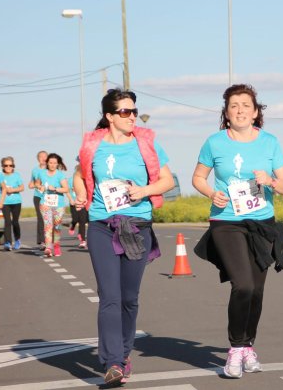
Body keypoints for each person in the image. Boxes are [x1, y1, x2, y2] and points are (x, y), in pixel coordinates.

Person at [73, 88, 174, 386]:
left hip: (136, 227)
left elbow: (167, 180)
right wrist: (80, 194)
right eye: (125, 112)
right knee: (110, 297)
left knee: (129, 298)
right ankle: (113, 362)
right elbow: (79, 174)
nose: (132, 116)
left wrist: (144, 191)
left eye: (133, 110)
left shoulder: (145, 143)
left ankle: (124, 353)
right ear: (109, 116)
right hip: (102, 225)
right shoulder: (93, 145)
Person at [192, 84, 283, 379]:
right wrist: (211, 193)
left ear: (256, 111)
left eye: (245, 105)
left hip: (262, 223)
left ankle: (248, 345)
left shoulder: (270, 143)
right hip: (226, 222)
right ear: (226, 112)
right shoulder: (214, 143)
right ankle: (235, 349)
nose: (239, 110)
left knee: (257, 291)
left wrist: (271, 181)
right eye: (234, 105)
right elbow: (198, 177)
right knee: (244, 285)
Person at [35, 153, 68, 258]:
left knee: (57, 226)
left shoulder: (60, 175)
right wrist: (40, 187)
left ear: (57, 164)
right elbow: (37, 183)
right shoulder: (42, 173)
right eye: (50, 163)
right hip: (45, 203)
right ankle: (48, 247)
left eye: (55, 163)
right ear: (47, 163)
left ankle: (56, 245)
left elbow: (66, 189)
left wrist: (56, 189)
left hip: (59, 205)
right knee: (48, 226)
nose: (53, 165)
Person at [1, 156, 24, 250]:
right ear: (2, 166)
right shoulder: (0, 176)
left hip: (16, 201)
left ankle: (17, 239)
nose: (8, 167)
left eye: (10, 165)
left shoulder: (17, 175)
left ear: (13, 166)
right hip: (5, 202)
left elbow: (22, 187)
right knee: (7, 222)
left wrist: (13, 190)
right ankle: (7, 242)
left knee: (15, 222)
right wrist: (5, 190)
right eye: (6, 165)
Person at [29, 151, 48, 250]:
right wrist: (36, 185)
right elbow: (31, 184)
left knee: (49, 219)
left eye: (45, 156)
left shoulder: (51, 169)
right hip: (38, 196)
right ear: (38, 159)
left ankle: (50, 240)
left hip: (49, 197)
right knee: (41, 218)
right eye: (41, 157)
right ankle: (42, 241)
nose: (43, 158)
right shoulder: (35, 170)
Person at [67, 164, 88, 248]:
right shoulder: (71, 180)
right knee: (75, 219)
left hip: (83, 203)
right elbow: (67, 190)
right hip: (74, 202)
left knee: (83, 220)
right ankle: (72, 226)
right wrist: (70, 199)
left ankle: (83, 240)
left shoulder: (85, 179)